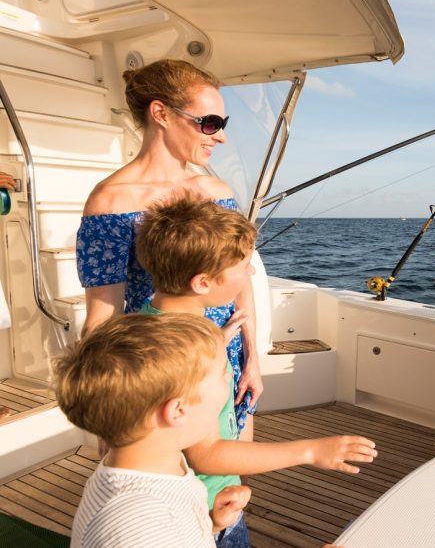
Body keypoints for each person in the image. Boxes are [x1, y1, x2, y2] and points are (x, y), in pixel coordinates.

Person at [135, 193, 377, 547]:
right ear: (202, 283)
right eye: (243, 265)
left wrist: (216, 341)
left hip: (188, 506)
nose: (250, 272)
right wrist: (310, 451)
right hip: (204, 511)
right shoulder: (193, 355)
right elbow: (205, 453)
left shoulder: (148, 325)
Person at [76, 59, 261, 438]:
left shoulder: (217, 192)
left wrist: (252, 359)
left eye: (222, 125)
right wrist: (110, 415)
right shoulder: (110, 204)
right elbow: (102, 319)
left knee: (230, 485)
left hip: (227, 363)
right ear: (160, 113)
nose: (220, 137)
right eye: (209, 123)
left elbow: (241, 284)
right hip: (163, 370)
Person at [55, 312, 252, 548]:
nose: (230, 377)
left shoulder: (162, 465)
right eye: (223, 374)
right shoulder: (138, 524)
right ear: (178, 411)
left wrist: (212, 525)